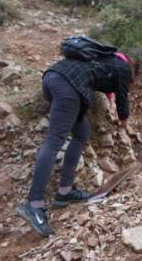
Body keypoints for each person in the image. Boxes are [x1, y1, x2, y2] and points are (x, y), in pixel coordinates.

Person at [16, 50, 133, 237]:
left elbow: (108, 92)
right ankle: (34, 203)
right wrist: (124, 120)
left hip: (52, 78)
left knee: (82, 133)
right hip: (68, 87)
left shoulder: (101, 58)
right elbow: (122, 98)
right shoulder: (123, 69)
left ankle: (65, 191)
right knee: (54, 140)